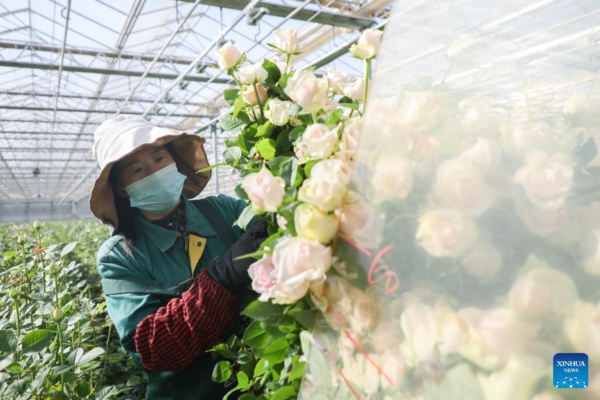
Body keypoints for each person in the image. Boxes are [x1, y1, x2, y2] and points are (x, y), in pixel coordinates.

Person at [89, 115, 268, 400]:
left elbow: (276, 227)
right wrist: (223, 277)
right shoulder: (119, 258)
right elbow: (154, 346)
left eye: (160, 158)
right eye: (138, 170)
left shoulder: (223, 211)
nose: (154, 172)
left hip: (261, 385)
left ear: (174, 161)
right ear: (123, 190)